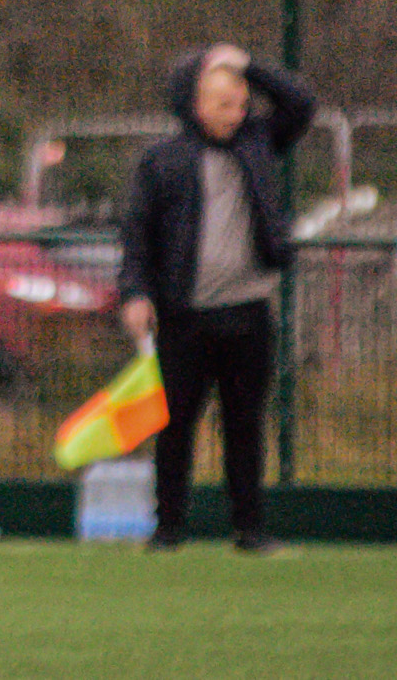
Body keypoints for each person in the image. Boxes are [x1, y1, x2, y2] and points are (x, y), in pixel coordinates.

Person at [117, 41, 316, 553]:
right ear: (195, 103)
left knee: (244, 425)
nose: (236, 114)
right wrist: (136, 293)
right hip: (183, 318)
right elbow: (137, 235)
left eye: (241, 103)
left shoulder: (259, 143)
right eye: (223, 103)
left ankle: (249, 528)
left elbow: (301, 104)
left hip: (248, 314)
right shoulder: (163, 161)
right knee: (176, 425)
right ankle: (168, 527)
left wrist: (249, 65)